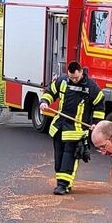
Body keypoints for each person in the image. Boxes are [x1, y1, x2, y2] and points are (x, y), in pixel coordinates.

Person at [39, 62, 104, 195]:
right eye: (71, 78)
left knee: (69, 157)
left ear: (81, 72)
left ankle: (64, 185)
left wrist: (96, 123)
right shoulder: (62, 81)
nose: (73, 80)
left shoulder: (91, 87)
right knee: (59, 157)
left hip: (76, 129)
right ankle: (61, 183)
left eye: (75, 78)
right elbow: (50, 92)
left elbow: (99, 105)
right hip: (60, 126)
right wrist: (44, 102)